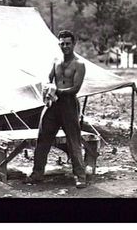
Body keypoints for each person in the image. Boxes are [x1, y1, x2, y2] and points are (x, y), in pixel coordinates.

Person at [27, 30, 87, 188]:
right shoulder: (55, 60)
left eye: (68, 43)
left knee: (74, 140)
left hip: (68, 105)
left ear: (74, 44)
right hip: (53, 105)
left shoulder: (79, 64)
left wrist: (58, 92)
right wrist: (49, 88)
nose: (65, 46)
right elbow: (49, 78)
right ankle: (37, 173)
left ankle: (80, 176)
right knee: (43, 138)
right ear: (59, 44)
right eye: (62, 43)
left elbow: (75, 89)